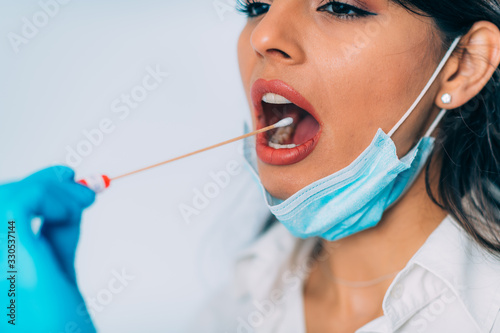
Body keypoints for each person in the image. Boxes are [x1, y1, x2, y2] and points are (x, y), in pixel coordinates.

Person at [2, 0, 500, 332]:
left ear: (462, 64)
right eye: (256, 5)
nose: (264, 35)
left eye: (340, 6)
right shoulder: (249, 291)